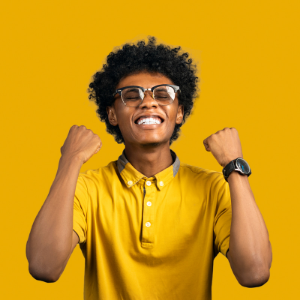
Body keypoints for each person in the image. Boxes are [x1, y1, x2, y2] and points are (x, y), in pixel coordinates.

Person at [26, 36, 272, 300]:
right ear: (112, 115)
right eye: (131, 95)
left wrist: (235, 166)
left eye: (163, 94)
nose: (148, 102)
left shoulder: (213, 188)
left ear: (179, 112)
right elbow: (44, 266)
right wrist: (70, 160)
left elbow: (254, 273)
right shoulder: (87, 189)